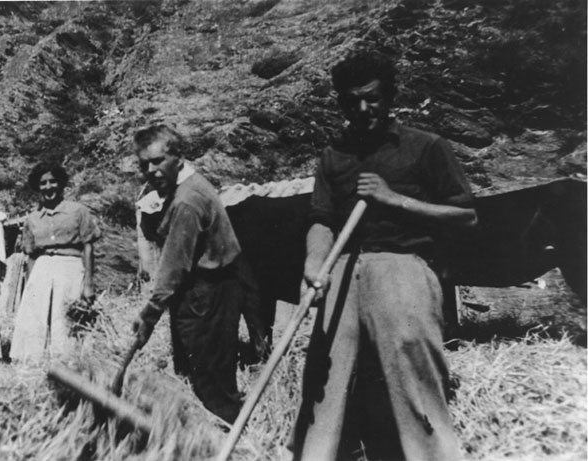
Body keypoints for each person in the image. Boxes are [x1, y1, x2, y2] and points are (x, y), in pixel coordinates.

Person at [290, 50, 478, 460]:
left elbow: (465, 215)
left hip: (402, 266)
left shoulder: (426, 147)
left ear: (389, 96)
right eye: (351, 100)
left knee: (412, 363)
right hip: (341, 268)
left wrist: (393, 200)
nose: (363, 108)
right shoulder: (332, 156)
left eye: (372, 97)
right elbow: (321, 219)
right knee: (325, 375)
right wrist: (313, 263)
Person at [130, 124, 244, 424]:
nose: (151, 170)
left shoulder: (187, 201)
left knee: (211, 384)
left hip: (207, 296)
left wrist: (150, 314)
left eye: (158, 161)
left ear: (178, 157)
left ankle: (227, 444)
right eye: (144, 164)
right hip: (202, 293)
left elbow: (173, 267)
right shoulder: (182, 188)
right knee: (196, 375)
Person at [9, 162, 101, 362]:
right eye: (43, 183)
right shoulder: (32, 219)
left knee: (64, 317)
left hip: (70, 267)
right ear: (37, 187)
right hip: (41, 269)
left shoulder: (78, 211)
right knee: (37, 317)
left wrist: (88, 283)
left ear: (61, 184)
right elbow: (31, 254)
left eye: (53, 182)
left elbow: (88, 246)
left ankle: (66, 361)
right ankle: (35, 362)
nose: (48, 187)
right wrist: (30, 287)